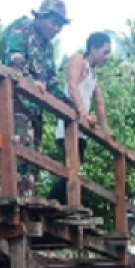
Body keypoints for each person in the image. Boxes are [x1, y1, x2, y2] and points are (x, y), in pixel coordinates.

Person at [4, 0, 69, 195]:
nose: (57, 28)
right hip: (15, 103)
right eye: (54, 22)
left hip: (35, 110)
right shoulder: (20, 29)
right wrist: (32, 83)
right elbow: (13, 61)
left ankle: (27, 201)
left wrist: (68, 104)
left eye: (60, 25)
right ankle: (14, 197)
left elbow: (51, 81)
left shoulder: (48, 48)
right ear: (41, 17)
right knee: (18, 154)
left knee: (33, 159)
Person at [49, 32, 113, 203]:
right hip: (69, 127)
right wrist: (83, 113)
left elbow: (99, 102)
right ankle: (52, 202)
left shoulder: (93, 74)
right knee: (71, 171)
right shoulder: (78, 60)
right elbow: (72, 86)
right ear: (93, 48)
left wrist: (105, 130)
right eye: (105, 52)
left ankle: (61, 204)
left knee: (74, 172)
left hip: (81, 131)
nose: (106, 57)